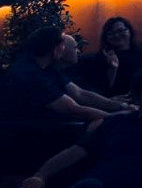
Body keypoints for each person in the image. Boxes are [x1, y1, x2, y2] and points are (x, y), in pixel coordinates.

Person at [0, 27, 133, 121]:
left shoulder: (48, 68)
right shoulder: (30, 75)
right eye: (63, 45)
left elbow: (80, 93)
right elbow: (74, 109)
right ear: (55, 49)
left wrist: (123, 107)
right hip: (26, 136)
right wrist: (122, 118)